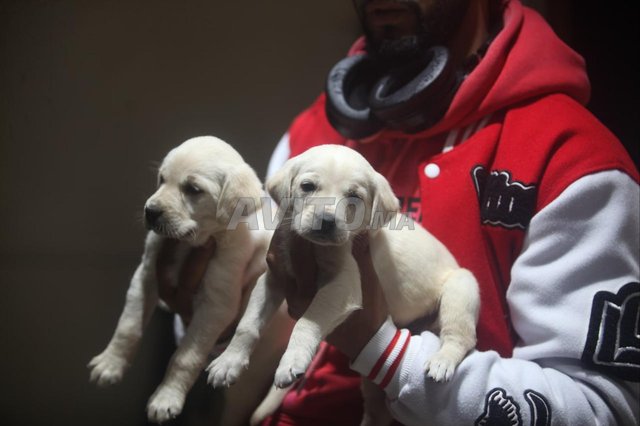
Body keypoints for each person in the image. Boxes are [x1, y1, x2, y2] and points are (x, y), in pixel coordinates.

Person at [162, 0, 640, 424]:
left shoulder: (572, 159)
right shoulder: (310, 137)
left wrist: (388, 352)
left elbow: (601, 410)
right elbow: (278, 309)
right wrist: (214, 309)